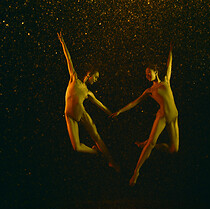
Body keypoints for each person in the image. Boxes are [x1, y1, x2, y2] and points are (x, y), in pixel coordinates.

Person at [111, 43, 179, 185]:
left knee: (174, 149)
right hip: (161, 116)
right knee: (151, 144)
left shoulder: (166, 81)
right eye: (146, 74)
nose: (147, 75)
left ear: (156, 71)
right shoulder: (149, 90)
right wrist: (120, 111)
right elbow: (134, 102)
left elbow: (169, 66)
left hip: (174, 117)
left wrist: (171, 51)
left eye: (149, 72)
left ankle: (148, 143)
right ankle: (136, 172)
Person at [58, 32, 120, 172]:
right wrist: (63, 43)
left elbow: (99, 104)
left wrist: (111, 113)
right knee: (77, 147)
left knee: (96, 136)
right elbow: (69, 60)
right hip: (69, 116)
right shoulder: (74, 79)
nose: (96, 80)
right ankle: (96, 153)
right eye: (96, 77)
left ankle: (112, 162)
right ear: (89, 75)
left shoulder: (88, 92)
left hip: (82, 114)